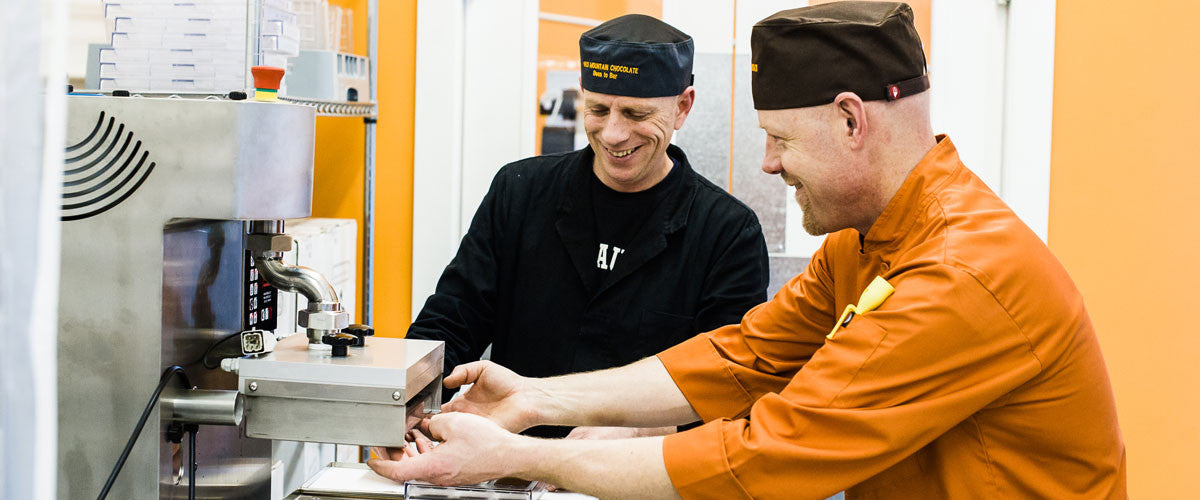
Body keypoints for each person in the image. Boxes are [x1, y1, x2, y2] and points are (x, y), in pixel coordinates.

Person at [372, 3, 1127, 499]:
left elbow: (771, 451)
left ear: (851, 120)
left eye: (780, 140)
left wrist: (523, 457)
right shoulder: (864, 247)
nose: (767, 164)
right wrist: (538, 399)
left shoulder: (963, 272)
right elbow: (738, 358)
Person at [404, 14, 770, 440]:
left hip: (642, 475)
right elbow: (450, 322)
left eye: (636, 113)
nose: (613, 133)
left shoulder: (727, 232)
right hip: (506, 465)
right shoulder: (519, 193)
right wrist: (407, 402)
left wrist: (640, 432)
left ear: (683, 106)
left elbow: (731, 388)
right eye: (597, 109)